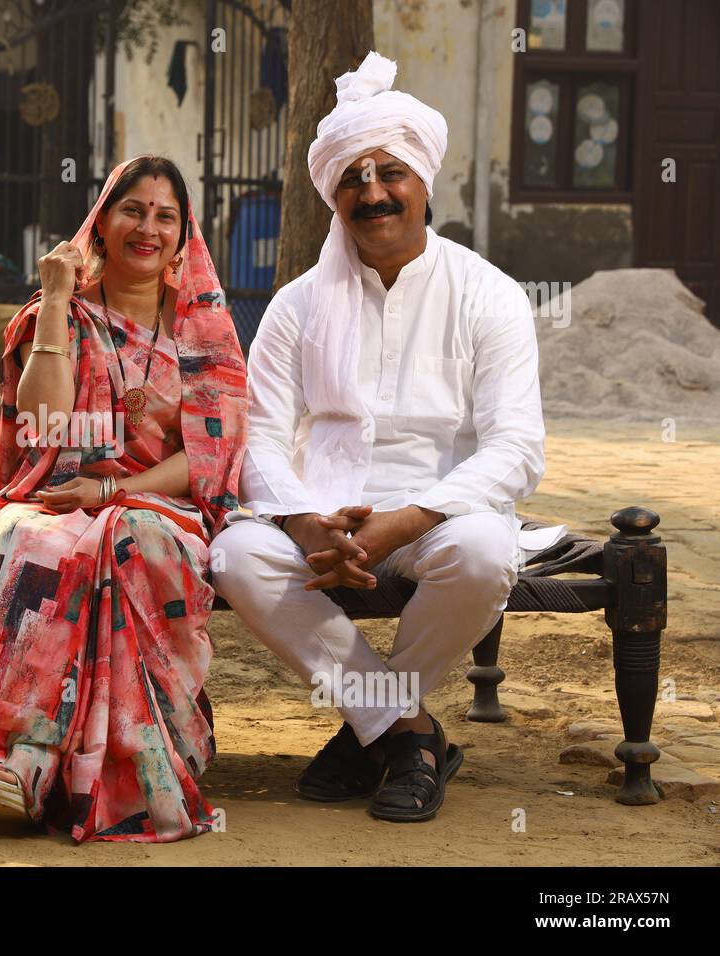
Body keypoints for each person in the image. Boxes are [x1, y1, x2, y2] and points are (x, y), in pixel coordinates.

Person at [211, 52, 549, 822]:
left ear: (424, 180)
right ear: (334, 193)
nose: (372, 192)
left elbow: (516, 447)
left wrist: (410, 518)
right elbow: (258, 433)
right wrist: (299, 519)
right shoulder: (296, 305)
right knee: (236, 555)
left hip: (439, 516)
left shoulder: (488, 295)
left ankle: (371, 729)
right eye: (353, 178)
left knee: (487, 553)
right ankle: (410, 731)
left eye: (389, 172)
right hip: (320, 517)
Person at [0, 154, 248, 843]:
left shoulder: (201, 333)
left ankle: (118, 757)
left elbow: (209, 454)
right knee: (23, 541)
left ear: (184, 237)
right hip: (56, 501)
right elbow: (45, 424)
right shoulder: (60, 315)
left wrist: (114, 489)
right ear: (102, 221)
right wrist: (57, 299)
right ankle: (12, 759)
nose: (147, 228)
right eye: (132, 210)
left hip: (158, 510)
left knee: (123, 541)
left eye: (165, 217)